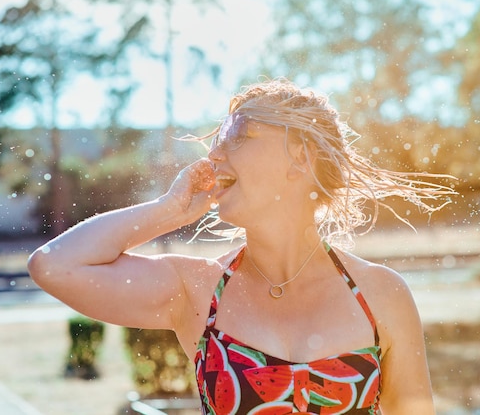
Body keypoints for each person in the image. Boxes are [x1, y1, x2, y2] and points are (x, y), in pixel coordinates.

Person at [28, 77, 455, 414]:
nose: (213, 155)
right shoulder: (196, 291)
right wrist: (170, 210)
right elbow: (54, 266)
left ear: (301, 158)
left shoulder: (381, 295)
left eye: (236, 134)